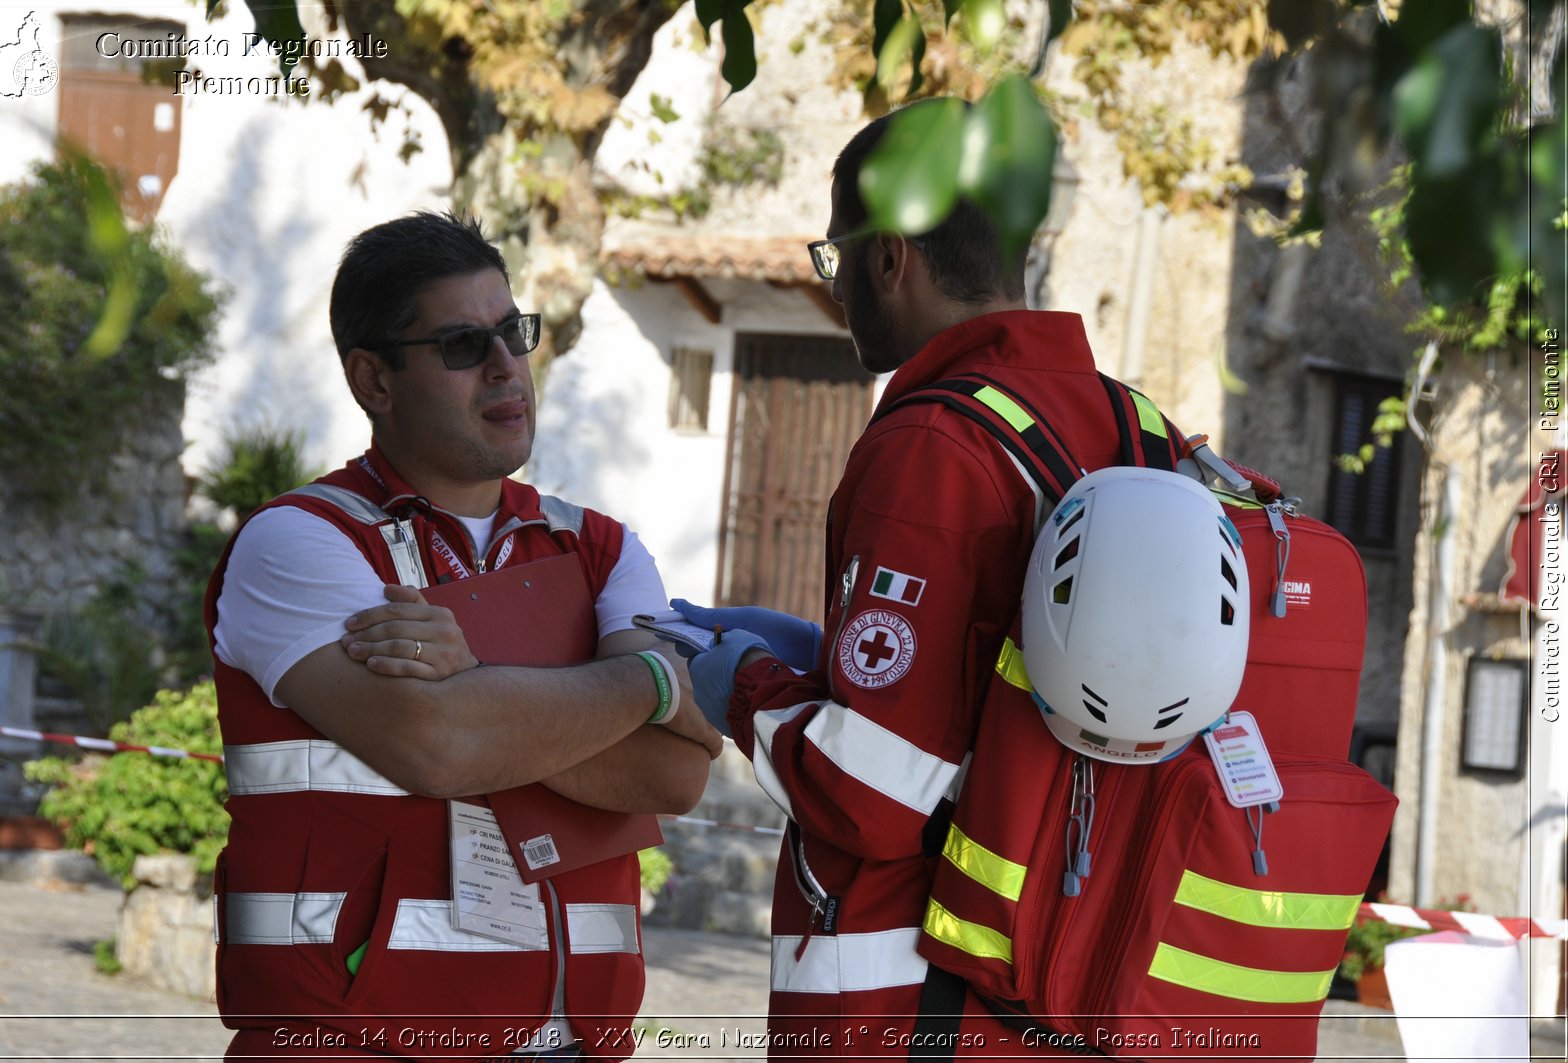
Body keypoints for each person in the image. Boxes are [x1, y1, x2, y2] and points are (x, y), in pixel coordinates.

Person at [675, 101, 1187, 1058]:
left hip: (907, 998)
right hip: (1064, 980)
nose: (839, 290)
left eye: (837, 260)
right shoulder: (1140, 429)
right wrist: (821, 659)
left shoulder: (932, 443)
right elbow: (993, 701)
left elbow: (870, 791)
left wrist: (741, 685)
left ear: (888, 259)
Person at [205, 211, 721, 1062]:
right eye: (459, 345)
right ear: (373, 379)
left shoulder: (603, 549)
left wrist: (478, 677)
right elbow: (440, 742)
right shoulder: (298, 541)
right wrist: (656, 685)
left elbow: (674, 772)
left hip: (576, 1043)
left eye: (513, 333)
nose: (504, 367)